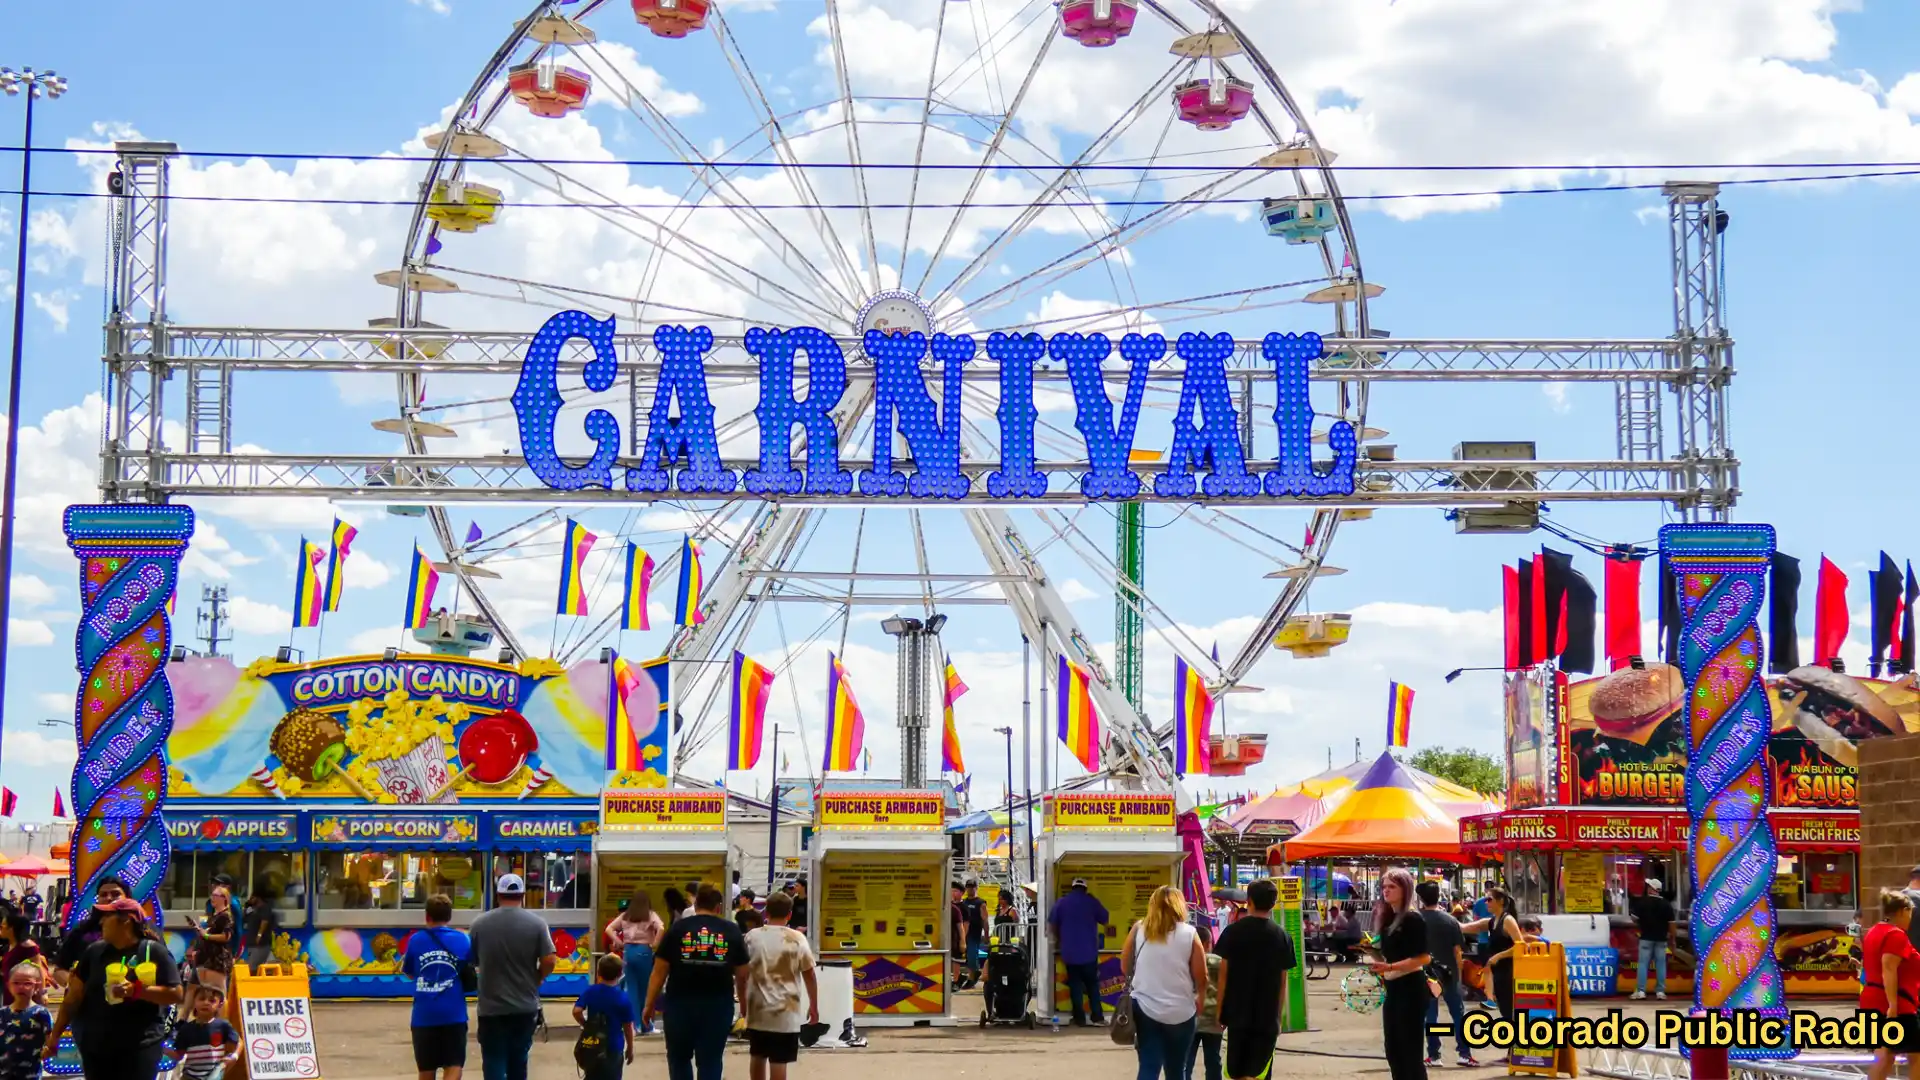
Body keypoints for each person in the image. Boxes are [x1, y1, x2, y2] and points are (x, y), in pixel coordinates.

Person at [42, 897, 183, 1080]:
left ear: (126, 920)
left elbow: (177, 994)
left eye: (107, 916)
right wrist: (55, 1037)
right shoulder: (94, 952)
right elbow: (73, 998)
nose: (101, 921)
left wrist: (136, 991)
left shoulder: (153, 952)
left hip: (140, 1047)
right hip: (97, 1047)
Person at [645, 883, 749, 1080]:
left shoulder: (678, 929)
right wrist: (743, 1005)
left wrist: (649, 1005)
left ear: (696, 903)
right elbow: (742, 975)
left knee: (679, 1058)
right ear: (718, 907)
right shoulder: (731, 931)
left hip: (679, 1004)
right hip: (718, 1005)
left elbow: (659, 972)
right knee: (710, 1059)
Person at [469, 873, 556, 1080]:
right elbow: (550, 960)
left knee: (493, 1060)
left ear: (498, 895)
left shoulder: (479, 924)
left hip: (491, 1008)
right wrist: (538, 977)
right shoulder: (537, 924)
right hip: (524, 1005)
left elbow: (472, 960)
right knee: (519, 1059)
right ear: (523, 895)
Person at [1213, 879, 1296, 1080]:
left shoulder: (1232, 932)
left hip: (1237, 1016)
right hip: (1266, 1019)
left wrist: (1219, 1013)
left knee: (1236, 1073)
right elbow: (1282, 982)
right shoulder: (1283, 936)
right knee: (1258, 1074)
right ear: (1274, 903)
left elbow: (1222, 977)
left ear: (1248, 901)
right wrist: (1278, 1016)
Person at [1121, 885, 1204, 1080]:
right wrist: (1200, 996)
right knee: (1176, 1069)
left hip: (1145, 1007)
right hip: (1182, 1011)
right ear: (1179, 906)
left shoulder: (1139, 929)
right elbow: (1202, 975)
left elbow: (1125, 967)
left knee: (1149, 1065)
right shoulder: (1190, 933)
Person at [743, 891, 819, 1080]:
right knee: (779, 1061)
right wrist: (814, 1006)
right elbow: (809, 974)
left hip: (757, 1010)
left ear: (766, 912)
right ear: (790, 914)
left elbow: (742, 972)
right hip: (786, 1013)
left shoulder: (752, 937)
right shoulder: (797, 939)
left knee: (757, 1056)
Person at [1368, 869, 1431, 1080]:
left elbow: (1423, 958)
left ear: (1405, 889)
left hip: (1411, 987)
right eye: (1384, 886)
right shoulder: (1387, 919)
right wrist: (1376, 958)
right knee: (1393, 1049)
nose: (1386, 891)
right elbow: (1390, 955)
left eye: (1392, 886)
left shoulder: (1413, 919)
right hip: (1393, 987)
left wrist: (1391, 967)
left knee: (1410, 1051)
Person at [402, 893, 473, 1080]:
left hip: (424, 1015)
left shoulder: (416, 940)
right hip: (454, 1014)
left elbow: (409, 972)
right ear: (449, 917)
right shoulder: (463, 939)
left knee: (426, 1069)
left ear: (427, 916)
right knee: (454, 1065)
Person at [1861, 889, 1920, 1080]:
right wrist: (1893, 1005)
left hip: (1873, 1000)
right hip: (1896, 1004)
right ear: (1903, 911)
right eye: (1910, 912)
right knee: (1915, 1056)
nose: (1910, 917)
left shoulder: (1873, 932)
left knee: (1884, 1055)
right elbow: (1888, 967)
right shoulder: (1896, 935)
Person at [1416, 881, 1477, 1068]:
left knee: (1430, 1016)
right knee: (1458, 1015)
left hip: (1426, 975)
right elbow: (1458, 951)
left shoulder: (1416, 920)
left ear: (1421, 899)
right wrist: (1459, 976)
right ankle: (1464, 1054)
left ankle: (1434, 1056)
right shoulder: (1450, 921)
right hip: (1450, 974)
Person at [1048, 878, 1109, 1026]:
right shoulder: (1091, 902)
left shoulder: (1061, 902)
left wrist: (1058, 939)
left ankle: (1079, 1018)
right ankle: (1097, 1017)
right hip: (1089, 952)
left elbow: (1052, 924)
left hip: (1069, 952)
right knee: (1092, 985)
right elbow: (1105, 918)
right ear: (1085, 889)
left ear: (1072, 887)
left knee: (1075, 985)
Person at [51, 875, 128, 986]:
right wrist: (76, 986)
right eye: (103, 895)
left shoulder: (143, 930)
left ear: (128, 898)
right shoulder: (82, 930)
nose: (109, 898)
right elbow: (59, 969)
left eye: (116, 894)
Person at [1461, 886, 1522, 1026]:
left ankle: (1519, 1039)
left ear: (1500, 901)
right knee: (1504, 1010)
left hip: (1509, 971)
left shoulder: (1508, 920)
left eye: (1489, 899)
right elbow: (1466, 927)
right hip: (1499, 972)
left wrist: (1498, 956)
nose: (1486, 902)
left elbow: (1520, 945)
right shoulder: (1492, 921)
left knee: (1509, 1010)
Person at [605, 888, 663, 1036]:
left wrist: (619, 942)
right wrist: (655, 943)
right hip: (644, 952)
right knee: (645, 990)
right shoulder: (650, 915)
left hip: (628, 952)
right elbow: (661, 928)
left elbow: (609, 929)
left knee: (631, 990)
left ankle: (633, 1026)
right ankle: (646, 1025)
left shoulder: (626, 915)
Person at [573, 954, 638, 1080]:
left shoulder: (591, 991)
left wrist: (586, 1025)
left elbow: (576, 1011)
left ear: (598, 972)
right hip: (613, 1047)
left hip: (592, 1045)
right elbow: (628, 1027)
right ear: (620, 974)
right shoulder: (622, 998)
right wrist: (630, 1049)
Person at [171, 985, 243, 1080]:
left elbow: (239, 1042)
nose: (206, 1003)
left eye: (212, 1001)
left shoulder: (223, 1026)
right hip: (189, 1077)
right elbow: (179, 1055)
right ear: (194, 1002)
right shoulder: (186, 1029)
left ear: (220, 1005)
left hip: (214, 1075)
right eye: (202, 999)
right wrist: (161, 1049)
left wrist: (234, 1056)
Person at [1185, 925, 1224, 1080]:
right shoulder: (1219, 962)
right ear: (1209, 943)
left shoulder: (1186, 962)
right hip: (1214, 1019)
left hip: (1190, 1017)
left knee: (1186, 1060)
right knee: (1213, 1059)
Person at [1, 962, 50, 1080]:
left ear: (36, 986)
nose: (21, 987)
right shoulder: (2, 1013)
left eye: (27, 983)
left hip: (30, 1073)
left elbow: (50, 1042)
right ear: (8, 985)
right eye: (16, 983)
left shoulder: (41, 1013)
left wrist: (47, 1051)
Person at [1629, 878, 1675, 1001]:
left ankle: (1641, 991)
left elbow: (1633, 918)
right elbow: (1671, 924)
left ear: (1651, 889)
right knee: (1661, 965)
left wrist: (1642, 922)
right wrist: (1672, 938)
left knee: (1643, 964)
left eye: (1648, 886)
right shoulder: (1666, 904)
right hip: (1661, 939)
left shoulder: (1642, 902)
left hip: (1646, 938)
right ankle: (1660, 992)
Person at [194, 885, 235, 994]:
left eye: (216, 895)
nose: (212, 898)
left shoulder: (225, 916)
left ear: (224, 898)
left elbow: (226, 936)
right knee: (207, 992)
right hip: (206, 959)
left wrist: (207, 936)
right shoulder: (213, 916)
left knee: (219, 993)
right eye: (212, 895)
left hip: (218, 960)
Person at [959, 883, 988, 989]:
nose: (970, 889)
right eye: (968, 887)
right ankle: (971, 976)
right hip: (963, 931)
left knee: (972, 954)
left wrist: (986, 934)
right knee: (967, 956)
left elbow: (985, 920)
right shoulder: (964, 902)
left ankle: (973, 975)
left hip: (974, 932)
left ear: (976, 888)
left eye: (972, 887)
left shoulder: (980, 903)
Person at [242, 892, 278, 971]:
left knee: (252, 968)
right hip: (252, 944)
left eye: (252, 898)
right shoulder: (252, 909)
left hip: (261, 944)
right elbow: (244, 919)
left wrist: (259, 935)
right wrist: (245, 909)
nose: (250, 900)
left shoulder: (265, 908)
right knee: (252, 966)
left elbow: (264, 921)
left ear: (258, 898)